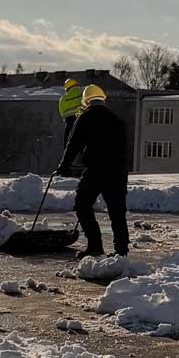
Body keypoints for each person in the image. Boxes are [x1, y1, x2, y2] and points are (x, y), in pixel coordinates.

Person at [59, 82, 130, 257]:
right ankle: (121, 251)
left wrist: (64, 166)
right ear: (102, 100)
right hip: (118, 171)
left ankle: (95, 245)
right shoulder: (116, 119)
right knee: (117, 211)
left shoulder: (85, 117)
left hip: (96, 170)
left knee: (82, 204)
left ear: (86, 101)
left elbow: (73, 144)